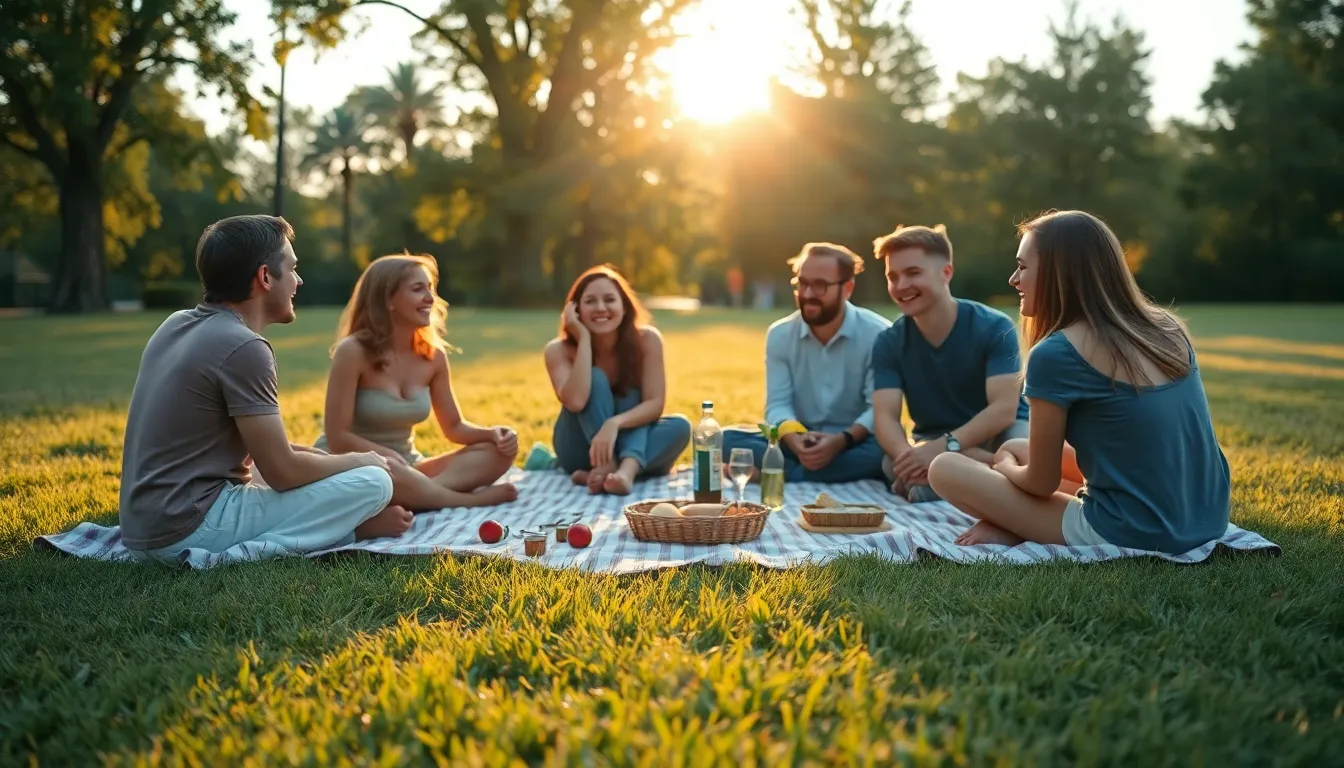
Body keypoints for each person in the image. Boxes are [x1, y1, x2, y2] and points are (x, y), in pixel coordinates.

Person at [926, 210, 1231, 551]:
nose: (1014, 279)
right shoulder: (1167, 327)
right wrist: (1012, 459)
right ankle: (1020, 517)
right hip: (1208, 516)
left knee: (945, 468)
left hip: (1135, 530)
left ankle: (1015, 523)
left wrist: (1006, 469)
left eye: (1023, 267)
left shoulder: (1059, 353)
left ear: (1060, 273)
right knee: (1015, 445)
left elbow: (1041, 483)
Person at [119, 215, 415, 564]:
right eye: (291, 268)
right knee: (375, 482)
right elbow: (282, 471)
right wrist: (359, 460)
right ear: (264, 277)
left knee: (328, 471)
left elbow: (267, 453)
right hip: (186, 528)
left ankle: (336, 520)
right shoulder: (244, 347)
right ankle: (348, 532)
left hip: (142, 528)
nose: (298, 280)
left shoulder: (176, 324)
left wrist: (336, 462)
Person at [315, 253, 519, 510]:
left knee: (497, 453)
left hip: (408, 466)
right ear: (389, 300)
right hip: (353, 465)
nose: (430, 298)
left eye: (431, 288)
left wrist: (493, 434)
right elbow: (337, 437)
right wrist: (384, 456)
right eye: (417, 289)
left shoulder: (433, 356)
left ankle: (413, 496)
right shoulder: (353, 351)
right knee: (387, 475)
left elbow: (454, 426)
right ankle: (466, 500)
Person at [869, 225, 1030, 502]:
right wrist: (906, 459)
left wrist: (945, 449)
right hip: (932, 438)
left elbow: (1004, 410)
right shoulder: (889, 341)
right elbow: (884, 417)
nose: (901, 285)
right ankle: (990, 478)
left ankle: (943, 482)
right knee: (889, 462)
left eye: (913, 273)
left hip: (998, 434)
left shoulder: (993, 327)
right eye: (892, 277)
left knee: (1022, 449)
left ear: (946, 273)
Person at [721, 243, 891, 483]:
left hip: (853, 441)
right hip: (797, 439)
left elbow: (879, 410)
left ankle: (784, 473)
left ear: (848, 289)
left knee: (884, 450)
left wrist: (842, 440)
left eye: (820, 285)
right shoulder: (780, 334)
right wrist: (794, 439)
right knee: (724, 439)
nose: (808, 294)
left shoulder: (879, 334)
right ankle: (804, 470)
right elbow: (777, 404)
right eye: (802, 283)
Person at [543, 265, 691, 495]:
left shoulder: (648, 340)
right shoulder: (557, 350)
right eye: (590, 301)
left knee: (679, 426)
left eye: (610, 299)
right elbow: (576, 401)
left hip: (624, 440)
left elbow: (654, 404)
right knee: (595, 377)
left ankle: (620, 472)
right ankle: (613, 468)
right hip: (578, 448)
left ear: (624, 307)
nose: (601, 308)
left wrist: (614, 424)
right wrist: (583, 339)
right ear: (576, 310)